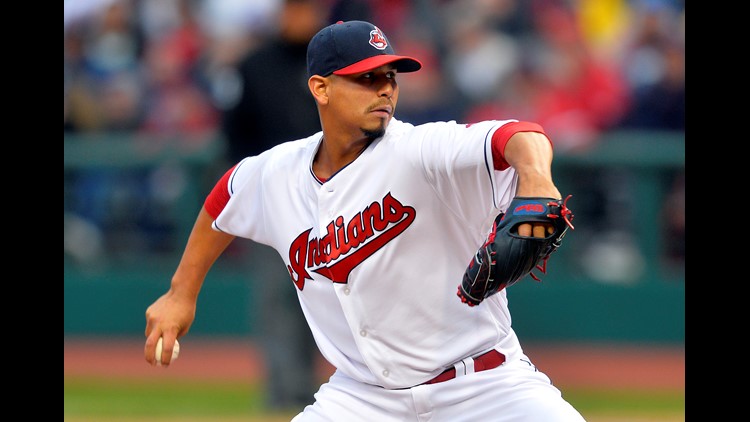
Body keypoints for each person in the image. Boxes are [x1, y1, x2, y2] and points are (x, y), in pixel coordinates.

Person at [144, 20, 586, 421]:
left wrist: (536, 181)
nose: (385, 90)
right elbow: (223, 200)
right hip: (362, 399)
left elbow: (519, 135)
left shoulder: (420, 151)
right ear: (321, 87)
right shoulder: (276, 172)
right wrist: (180, 293)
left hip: (485, 388)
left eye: (390, 77)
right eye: (366, 78)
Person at [215, 0, 327, 411]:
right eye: (293, 10)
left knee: (336, 299)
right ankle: (285, 395)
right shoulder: (254, 66)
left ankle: (341, 392)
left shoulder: (333, 64)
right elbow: (233, 135)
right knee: (277, 299)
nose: (299, 18)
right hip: (274, 201)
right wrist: (253, 188)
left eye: (306, 10)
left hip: (335, 199)